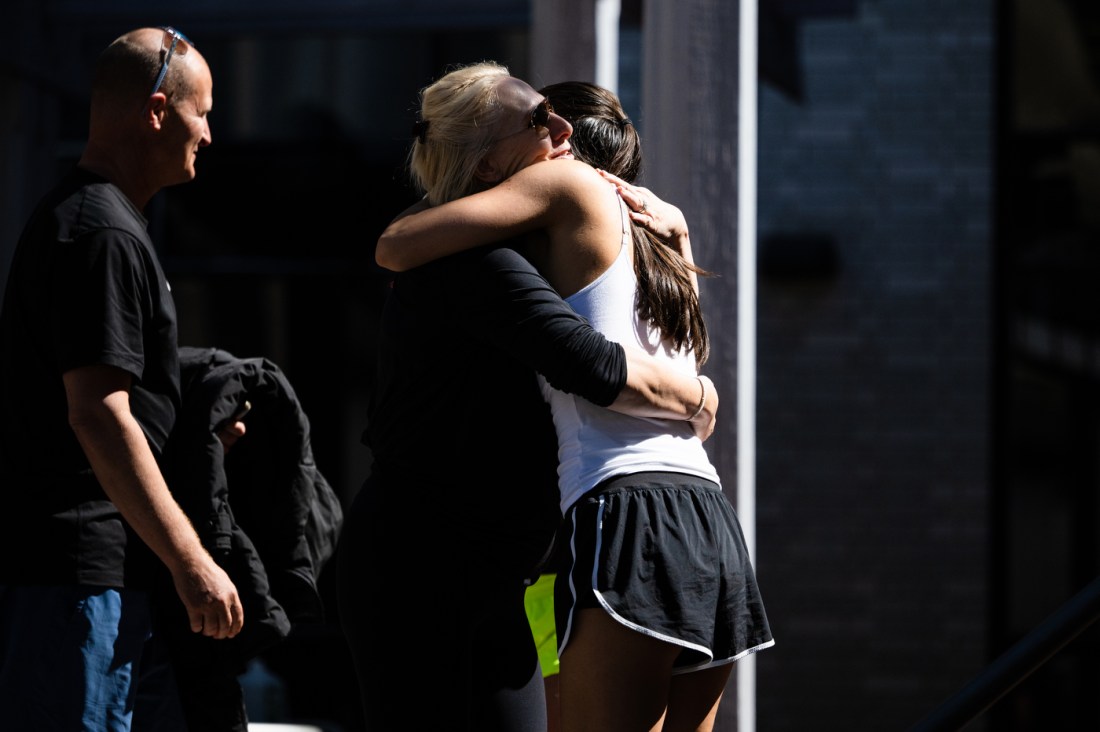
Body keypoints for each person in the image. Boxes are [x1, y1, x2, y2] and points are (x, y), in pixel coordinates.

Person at [376, 65, 775, 732]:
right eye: (536, 121)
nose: (551, 135)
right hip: (709, 519)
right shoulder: (658, 228)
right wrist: (701, 391)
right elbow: (684, 359)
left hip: (625, 510)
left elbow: (395, 246)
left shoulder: (562, 182)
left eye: (549, 121)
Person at [0, 27, 244, 731]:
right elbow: (98, 415)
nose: (208, 133)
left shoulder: (101, 223)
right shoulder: (99, 231)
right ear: (157, 110)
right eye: (203, 112)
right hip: (76, 583)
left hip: (95, 581)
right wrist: (191, 559)